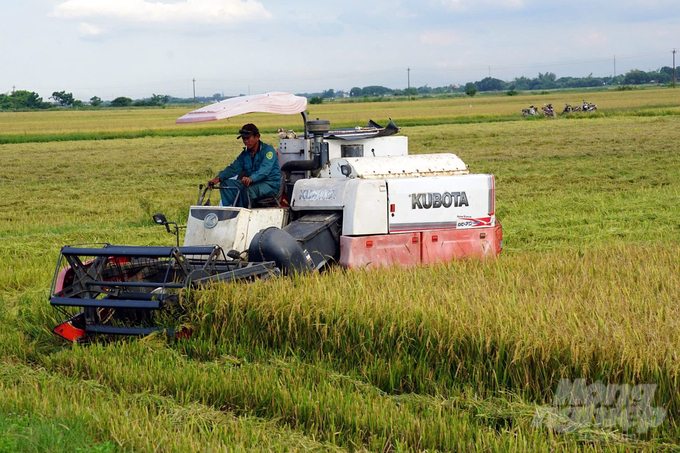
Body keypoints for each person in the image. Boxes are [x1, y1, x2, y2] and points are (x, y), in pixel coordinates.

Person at [208, 123, 281, 207]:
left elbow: (264, 170)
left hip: (269, 184)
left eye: (248, 138)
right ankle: (230, 211)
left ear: (257, 137)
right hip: (252, 183)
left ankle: (242, 212)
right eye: (243, 139)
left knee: (246, 189)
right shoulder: (245, 154)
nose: (245, 141)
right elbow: (233, 168)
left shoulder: (268, 151)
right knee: (225, 185)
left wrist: (251, 178)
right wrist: (219, 177)